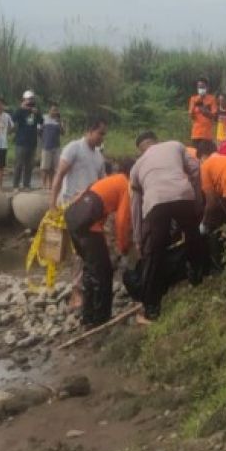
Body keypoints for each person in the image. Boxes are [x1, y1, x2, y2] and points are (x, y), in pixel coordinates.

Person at [129, 132, 210, 324]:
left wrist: (139, 239)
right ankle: (198, 277)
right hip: (183, 194)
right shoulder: (175, 144)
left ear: (141, 149)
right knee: (193, 236)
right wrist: (197, 201)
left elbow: (135, 206)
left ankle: (151, 308)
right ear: (156, 141)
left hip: (155, 203)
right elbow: (196, 169)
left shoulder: (136, 167)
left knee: (154, 253)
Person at [64, 162, 133, 326]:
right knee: (103, 272)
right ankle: (101, 319)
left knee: (90, 269)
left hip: (72, 217)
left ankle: (88, 317)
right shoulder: (126, 185)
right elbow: (122, 221)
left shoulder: (109, 180)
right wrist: (123, 247)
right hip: (88, 224)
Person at [49, 119, 108, 210]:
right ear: (90, 131)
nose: (102, 138)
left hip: (89, 205)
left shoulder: (99, 156)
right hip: (70, 203)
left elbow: (102, 182)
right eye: (100, 133)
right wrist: (52, 204)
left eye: (104, 134)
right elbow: (59, 174)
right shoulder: (74, 148)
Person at [11, 90, 43, 190]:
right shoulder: (20, 110)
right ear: (24, 100)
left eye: (32, 99)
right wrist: (21, 108)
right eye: (28, 99)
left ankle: (26, 184)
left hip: (32, 141)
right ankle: (15, 185)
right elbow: (13, 118)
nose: (30, 102)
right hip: (21, 141)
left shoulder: (35, 110)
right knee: (19, 164)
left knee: (29, 165)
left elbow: (41, 121)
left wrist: (37, 113)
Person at [188, 77, 219, 154]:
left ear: (207, 88)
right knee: (195, 155)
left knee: (205, 156)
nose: (200, 89)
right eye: (199, 87)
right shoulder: (193, 99)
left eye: (202, 87)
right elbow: (191, 116)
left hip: (206, 134)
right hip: (195, 134)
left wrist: (204, 111)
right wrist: (192, 110)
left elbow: (214, 116)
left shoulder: (212, 99)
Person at [39, 105, 64, 190]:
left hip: (56, 147)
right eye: (53, 110)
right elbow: (39, 130)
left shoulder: (59, 120)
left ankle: (51, 184)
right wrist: (42, 140)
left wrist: (60, 123)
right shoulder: (44, 118)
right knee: (44, 167)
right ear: (49, 110)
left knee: (53, 168)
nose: (54, 112)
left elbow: (63, 132)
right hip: (46, 146)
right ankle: (43, 184)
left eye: (56, 110)